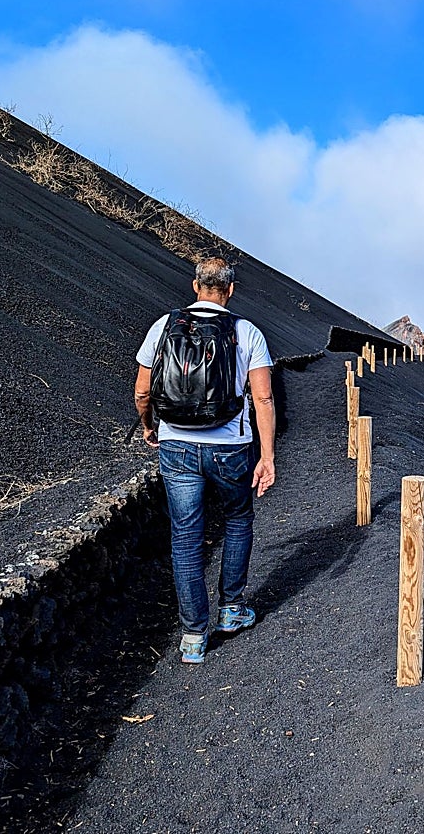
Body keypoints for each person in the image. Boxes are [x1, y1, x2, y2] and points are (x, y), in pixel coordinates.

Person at [133, 258, 276, 664]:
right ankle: (232, 609)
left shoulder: (163, 326)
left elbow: (143, 391)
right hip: (231, 447)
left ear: (195, 285)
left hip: (176, 445)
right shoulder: (247, 332)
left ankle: (194, 635)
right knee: (237, 519)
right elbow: (263, 398)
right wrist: (267, 456)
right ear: (230, 290)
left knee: (185, 535)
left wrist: (150, 426)